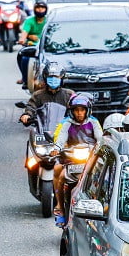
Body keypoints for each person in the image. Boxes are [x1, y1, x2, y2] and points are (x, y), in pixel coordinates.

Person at [52, 94, 103, 227]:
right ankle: (60, 208)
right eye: (76, 110)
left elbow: (100, 138)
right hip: (71, 159)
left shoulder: (93, 122)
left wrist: (99, 148)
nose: (79, 113)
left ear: (87, 110)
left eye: (82, 110)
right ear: (72, 111)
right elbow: (61, 138)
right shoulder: (67, 123)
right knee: (61, 175)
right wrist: (56, 148)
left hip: (90, 159)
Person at [16, 1, 48, 86]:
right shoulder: (29, 20)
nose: (40, 10)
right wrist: (23, 39)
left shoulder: (48, 20)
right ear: (34, 9)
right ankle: (25, 79)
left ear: (46, 9)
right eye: (38, 8)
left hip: (46, 45)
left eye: (42, 8)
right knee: (23, 57)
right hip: (32, 45)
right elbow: (25, 32)